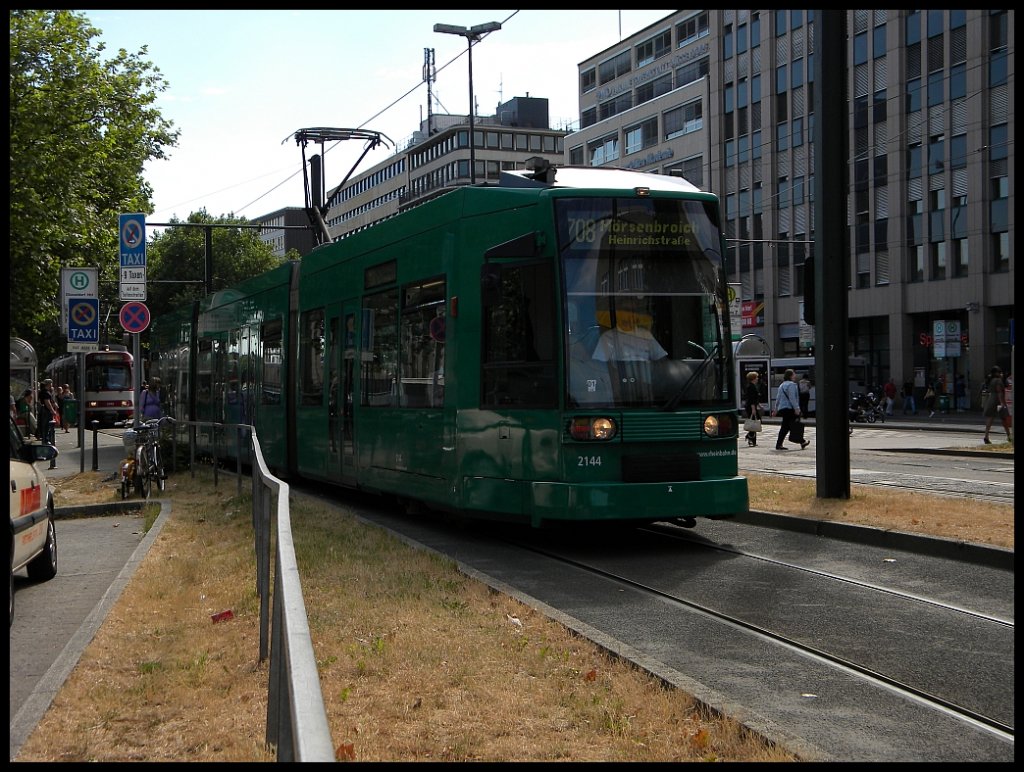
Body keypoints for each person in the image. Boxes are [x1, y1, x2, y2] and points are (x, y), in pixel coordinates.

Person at [772, 368, 809, 450]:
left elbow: (778, 398)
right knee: (794, 425)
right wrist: (797, 409)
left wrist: (776, 409)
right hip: (790, 408)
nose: (795, 375)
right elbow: (793, 398)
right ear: (791, 376)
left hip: (783, 409)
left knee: (785, 426)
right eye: (794, 374)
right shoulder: (792, 385)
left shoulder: (782, 385)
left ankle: (780, 444)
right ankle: (800, 441)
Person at [982, 366, 1010, 444]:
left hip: (991, 400)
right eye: (1000, 372)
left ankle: (986, 436)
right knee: (1004, 419)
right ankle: (1009, 436)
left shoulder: (991, 380)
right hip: (997, 401)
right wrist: (1002, 403)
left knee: (990, 419)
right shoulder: (998, 381)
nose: (1001, 373)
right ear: (996, 373)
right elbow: (999, 392)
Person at [37, 379, 59, 444]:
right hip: (46, 411)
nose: (52, 385)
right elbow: (47, 402)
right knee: (46, 425)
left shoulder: (44, 391)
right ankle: (46, 440)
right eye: (51, 383)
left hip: (44, 410)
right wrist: (52, 410)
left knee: (46, 425)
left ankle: (46, 439)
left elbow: (50, 400)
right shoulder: (45, 392)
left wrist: (55, 404)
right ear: (49, 384)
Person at [743, 370, 762, 447]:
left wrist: (759, 405)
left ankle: (752, 440)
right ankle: (750, 437)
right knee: (754, 422)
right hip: (751, 407)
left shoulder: (753, 386)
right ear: (753, 378)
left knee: (755, 422)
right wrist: (753, 409)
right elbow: (751, 399)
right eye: (756, 377)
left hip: (752, 406)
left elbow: (755, 398)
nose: (757, 379)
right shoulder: (751, 387)